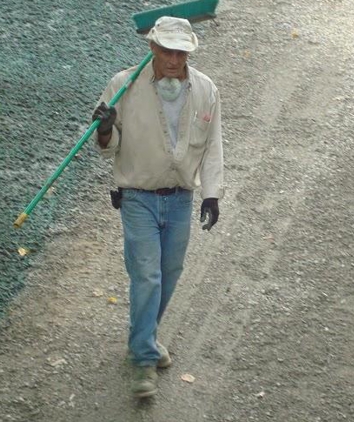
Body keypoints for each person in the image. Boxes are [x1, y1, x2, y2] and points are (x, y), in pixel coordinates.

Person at [92, 16, 224, 398]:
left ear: (189, 53)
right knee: (147, 276)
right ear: (152, 47)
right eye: (166, 50)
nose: (173, 59)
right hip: (137, 196)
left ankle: (143, 338)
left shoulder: (206, 89)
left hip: (180, 198)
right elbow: (107, 146)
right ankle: (144, 362)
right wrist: (104, 127)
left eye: (180, 52)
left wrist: (212, 193)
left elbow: (213, 145)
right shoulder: (122, 85)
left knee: (168, 274)